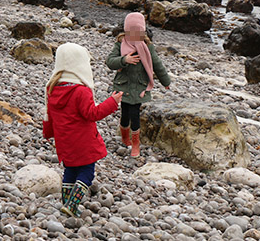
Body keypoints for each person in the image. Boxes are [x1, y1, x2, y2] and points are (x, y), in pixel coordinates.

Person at [43, 43, 123, 217]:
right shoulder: (81, 90)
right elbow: (92, 113)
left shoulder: (52, 89)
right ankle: (72, 205)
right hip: (83, 142)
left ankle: (66, 202)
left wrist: (48, 133)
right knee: (86, 172)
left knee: (70, 170)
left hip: (64, 141)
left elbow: (49, 115)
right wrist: (113, 102)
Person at [106, 12, 171, 157]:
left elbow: (157, 65)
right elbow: (110, 62)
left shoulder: (147, 47)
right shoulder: (120, 44)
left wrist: (166, 81)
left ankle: (135, 144)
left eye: (138, 31)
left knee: (135, 114)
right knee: (124, 114)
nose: (135, 35)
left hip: (139, 87)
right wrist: (124, 60)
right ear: (126, 30)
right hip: (123, 86)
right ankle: (124, 137)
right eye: (131, 31)